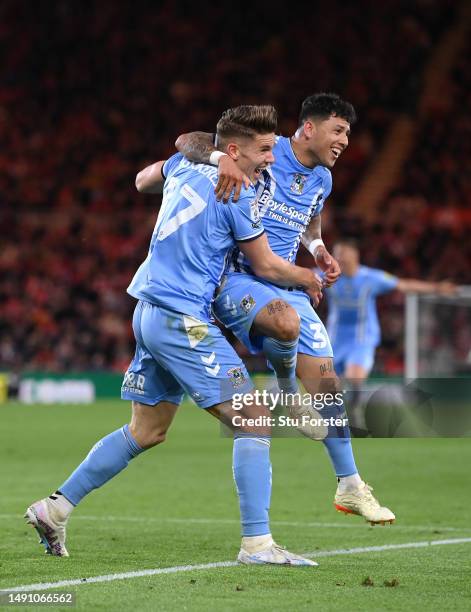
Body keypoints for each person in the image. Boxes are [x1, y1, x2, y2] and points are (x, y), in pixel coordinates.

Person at [25, 105, 324, 566]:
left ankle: (54, 508)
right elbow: (265, 266)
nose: (271, 158)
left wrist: (203, 157)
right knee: (253, 415)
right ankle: (258, 545)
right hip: (182, 314)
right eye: (264, 149)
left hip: (147, 309)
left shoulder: (187, 163)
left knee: (147, 430)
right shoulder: (238, 194)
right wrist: (308, 277)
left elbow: (143, 179)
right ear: (234, 150)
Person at [174, 93, 395, 524]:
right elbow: (186, 140)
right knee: (285, 322)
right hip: (238, 277)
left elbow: (309, 221)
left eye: (348, 133)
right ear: (308, 128)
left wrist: (318, 249)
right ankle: (289, 395)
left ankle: (350, 485)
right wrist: (220, 157)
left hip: (287, 277)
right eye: (339, 130)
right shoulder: (266, 153)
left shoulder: (323, 180)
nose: (345, 141)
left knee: (327, 378)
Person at [326, 238, 457, 406]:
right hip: (333, 339)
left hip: (361, 339)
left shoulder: (371, 278)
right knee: (327, 387)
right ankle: (339, 416)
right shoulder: (327, 275)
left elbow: (403, 284)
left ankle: (354, 413)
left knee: (354, 378)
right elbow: (303, 276)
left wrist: (437, 288)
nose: (338, 258)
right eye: (336, 254)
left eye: (342, 254)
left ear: (354, 255)